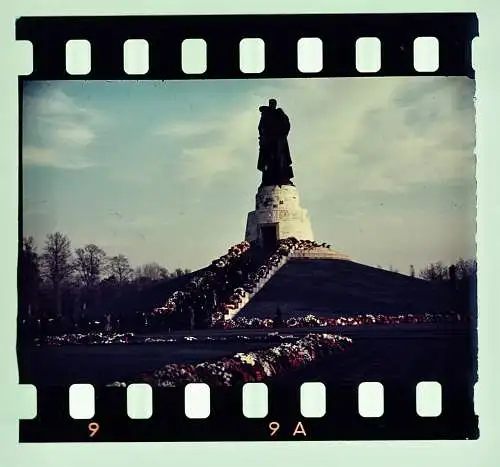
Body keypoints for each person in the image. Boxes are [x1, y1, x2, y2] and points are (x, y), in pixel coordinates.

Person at [257, 99, 294, 187]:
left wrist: (282, 134)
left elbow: (286, 125)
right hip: (269, 142)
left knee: (281, 159)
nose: (272, 105)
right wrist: (263, 137)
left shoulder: (280, 114)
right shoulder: (265, 114)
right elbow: (261, 127)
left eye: (273, 103)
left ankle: (284, 178)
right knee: (267, 160)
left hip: (279, 142)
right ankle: (267, 179)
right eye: (271, 103)